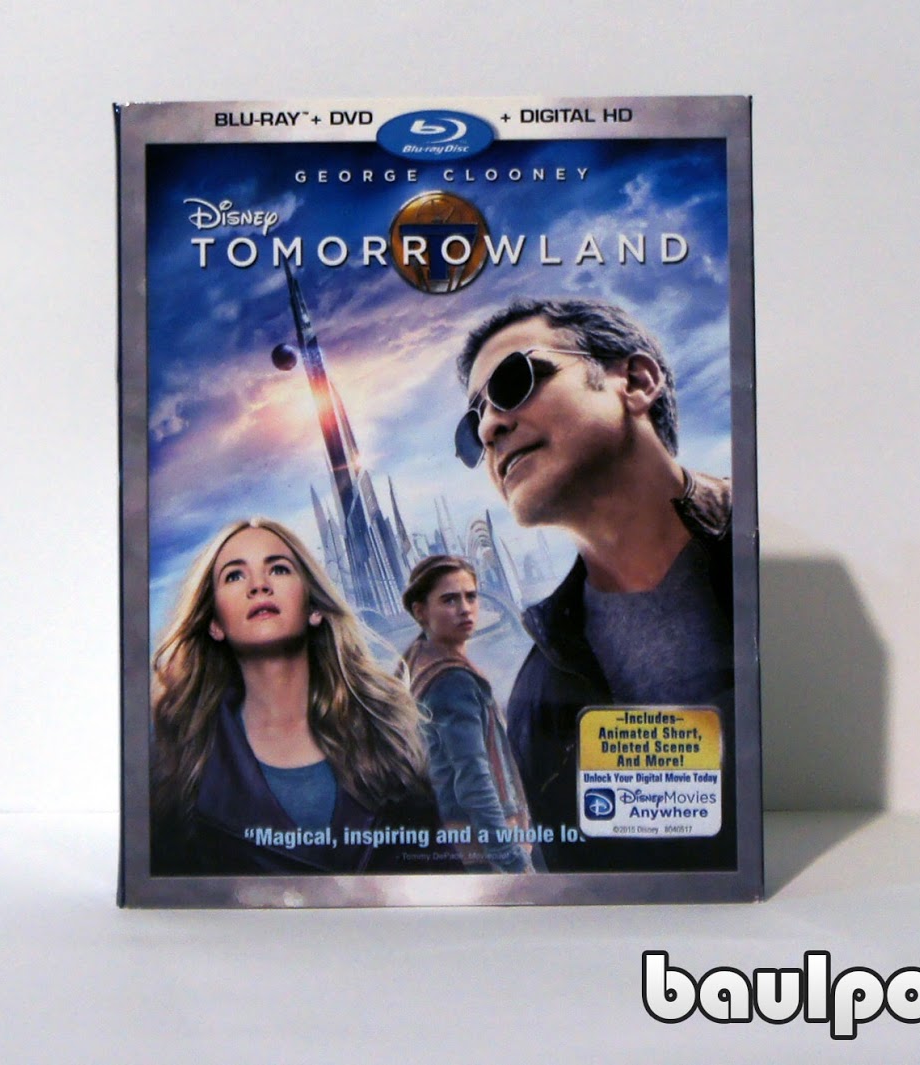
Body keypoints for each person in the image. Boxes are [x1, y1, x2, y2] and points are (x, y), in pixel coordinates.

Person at [454, 298, 735, 873]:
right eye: (471, 425)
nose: (488, 427)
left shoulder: (765, 558)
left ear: (636, 382)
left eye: (514, 381)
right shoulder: (535, 698)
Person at [148, 517, 453, 875]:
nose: (259, 585)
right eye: (234, 576)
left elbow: (440, 880)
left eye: (278, 569)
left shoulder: (389, 735)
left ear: (314, 607)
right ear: (215, 624)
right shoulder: (182, 760)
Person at [399, 555, 534, 874]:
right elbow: (473, 780)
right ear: (420, 611)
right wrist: (511, 859)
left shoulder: (419, 658)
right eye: (449, 600)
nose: (465, 609)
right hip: (482, 851)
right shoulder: (452, 681)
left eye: (470, 596)